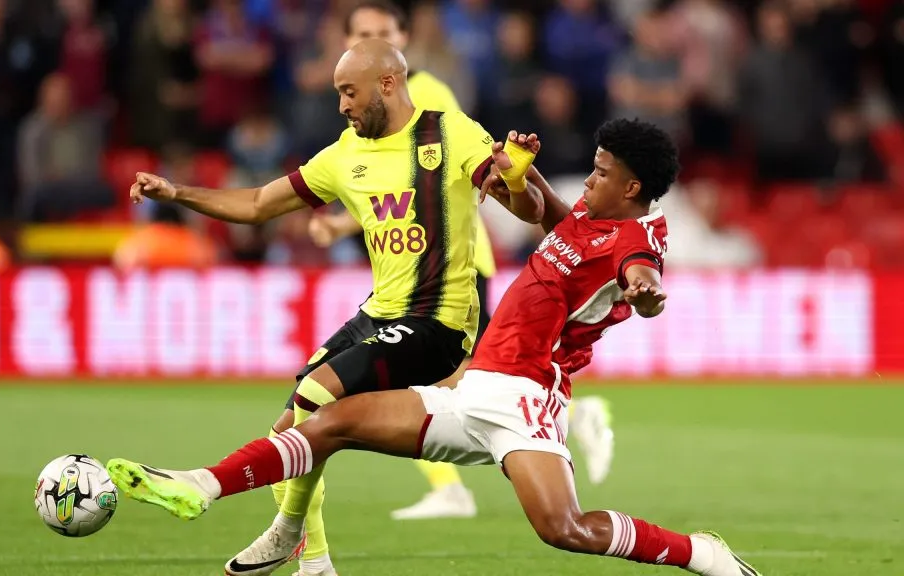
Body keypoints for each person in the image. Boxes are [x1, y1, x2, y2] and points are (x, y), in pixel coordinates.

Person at [106, 119, 763, 576]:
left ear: (631, 189)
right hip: (475, 386)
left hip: (525, 400)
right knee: (329, 421)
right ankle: (201, 485)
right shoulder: (596, 217)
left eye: (599, 173)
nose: (588, 181)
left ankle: (700, 553)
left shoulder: (637, 243)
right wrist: (523, 172)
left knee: (564, 530)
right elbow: (552, 219)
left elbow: (640, 275)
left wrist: (646, 293)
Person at [125, 39, 543, 576]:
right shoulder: (345, 155)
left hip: (436, 323)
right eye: (338, 94)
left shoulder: (451, 132)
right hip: (379, 313)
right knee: (288, 429)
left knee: (314, 393)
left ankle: (263, 518)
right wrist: (178, 193)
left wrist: (515, 177)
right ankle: (313, 560)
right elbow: (258, 204)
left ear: (387, 84)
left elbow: (528, 209)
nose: (342, 105)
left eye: (349, 92)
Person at [307, 0, 618, 524]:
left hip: (456, 268)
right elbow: (388, 189)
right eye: (362, 32)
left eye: (384, 31)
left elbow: (438, 177)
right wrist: (342, 224)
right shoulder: (362, 109)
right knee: (451, 384)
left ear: (403, 39)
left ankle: (566, 416)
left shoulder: (426, 96)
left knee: (455, 384)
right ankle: (487, 463)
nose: (374, 38)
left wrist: (517, 185)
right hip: (418, 269)